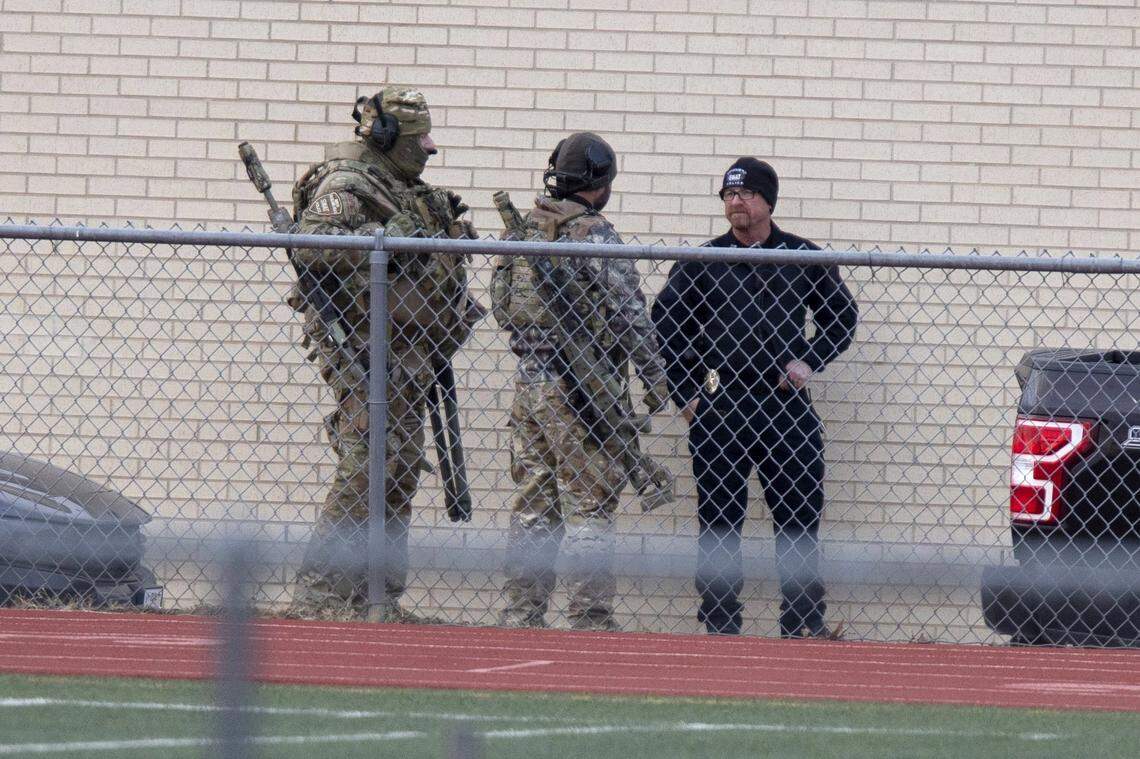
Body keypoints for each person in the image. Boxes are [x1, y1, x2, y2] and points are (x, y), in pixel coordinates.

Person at [287, 86, 481, 622]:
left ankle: (377, 598)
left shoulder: (401, 186)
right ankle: (320, 596)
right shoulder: (349, 183)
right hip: (365, 351)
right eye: (419, 138)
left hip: (409, 353)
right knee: (365, 467)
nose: (430, 149)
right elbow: (311, 243)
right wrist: (384, 238)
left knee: (398, 471)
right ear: (388, 136)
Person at [652, 157, 858, 637]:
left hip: (785, 406)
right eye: (727, 194)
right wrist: (687, 397)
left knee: (799, 517)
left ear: (768, 201)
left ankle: (802, 621)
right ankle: (720, 621)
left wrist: (808, 360)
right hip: (721, 406)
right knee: (719, 521)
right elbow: (666, 328)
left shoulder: (802, 257)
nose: (735, 202)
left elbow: (841, 319)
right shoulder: (705, 261)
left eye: (744, 194)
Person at [490, 132, 671, 630]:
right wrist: (655, 376)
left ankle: (521, 615)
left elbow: (504, 306)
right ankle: (591, 620)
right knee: (590, 504)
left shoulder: (523, 230)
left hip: (530, 383)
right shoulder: (593, 233)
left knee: (534, 506)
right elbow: (630, 313)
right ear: (599, 181)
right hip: (581, 388)